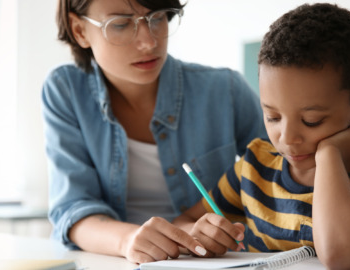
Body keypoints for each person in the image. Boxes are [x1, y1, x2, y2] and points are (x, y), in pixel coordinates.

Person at [174, 3, 350, 269]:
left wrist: (329, 155)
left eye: (312, 121)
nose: (287, 138)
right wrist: (201, 231)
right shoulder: (255, 165)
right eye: (273, 117)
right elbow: (182, 222)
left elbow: (342, 255)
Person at [41, 0, 266, 264]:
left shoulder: (225, 90)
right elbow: (72, 209)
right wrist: (129, 240)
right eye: (121, 24)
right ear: (79, 30)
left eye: (157, 18)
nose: (149, 42)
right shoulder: (66, 90)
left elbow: (286, 173)